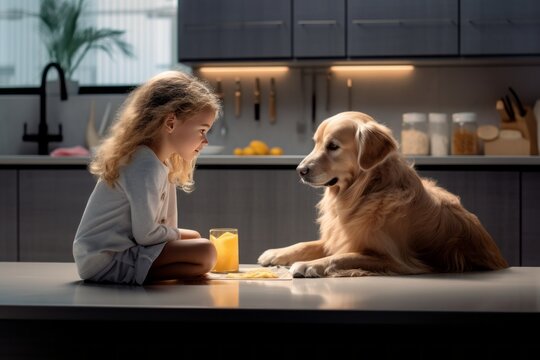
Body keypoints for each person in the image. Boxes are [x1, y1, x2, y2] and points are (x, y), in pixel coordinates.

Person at [73, 70, 221, 285]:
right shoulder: (144, 165)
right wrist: (186, 237)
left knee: (200, 246)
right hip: (104, 259)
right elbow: (147, 235)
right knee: (205, 250)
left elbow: (166, 226)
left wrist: (185, 237)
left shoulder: (162, 162)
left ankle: (143, 273)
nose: (205, 141)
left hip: (121, 251)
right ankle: (138, 275)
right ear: (170, 123)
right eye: (201, 130)